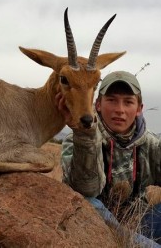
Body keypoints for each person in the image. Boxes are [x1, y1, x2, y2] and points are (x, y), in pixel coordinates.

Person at [58, 71, 161, 247]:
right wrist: (84, 134)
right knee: (89, 202)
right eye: (111, 100)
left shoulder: (150, 143)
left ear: (138, 109)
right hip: (94, 224)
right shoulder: (75, 140)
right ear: (97, 105)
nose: (119, 110)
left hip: (139, 224)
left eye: (128, 102)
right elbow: (86, 189)